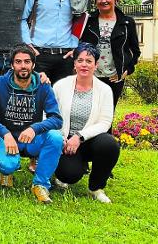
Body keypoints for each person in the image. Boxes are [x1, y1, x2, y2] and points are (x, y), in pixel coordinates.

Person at [0, 44, 63, 204]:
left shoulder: (43, 86)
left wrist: (34, 128)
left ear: (33, 64)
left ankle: (40, 185)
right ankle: (6, 172)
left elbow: (56, 119)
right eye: (18, 61)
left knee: (55, 138)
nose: (23, 66)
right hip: (8, 138)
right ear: (12, 65)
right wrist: (5, 133)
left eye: (27, 61)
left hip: (32, 139)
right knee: (7, 165)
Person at [52, 42, 120, 203]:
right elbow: (49, 114)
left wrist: (80, 137)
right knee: (68, 175)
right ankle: (64, 173)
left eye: (89, 61)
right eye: (80, 60)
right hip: (66, 142)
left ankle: (96, 188)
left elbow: (105, 122)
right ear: (74, 63)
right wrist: (61, 137)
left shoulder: (104, 90)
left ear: (95, 65)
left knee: (110, 144)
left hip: (90, 140)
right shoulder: (61, 86)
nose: (84, 64)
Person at [21, 0, 88, 84]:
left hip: (66, 57)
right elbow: (23, 18)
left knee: (62, 102)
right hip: (39, 55)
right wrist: (28, 45)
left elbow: (81, 19)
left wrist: (75, 47)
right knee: (39, 100)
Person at [80, 0, 140, 110]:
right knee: (89, 113)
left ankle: (107, 132)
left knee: (107, 115)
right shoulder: (88, 21)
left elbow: (135, 51)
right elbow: (80, 47)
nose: (103, 0)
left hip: (114, 78)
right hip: (91, 76)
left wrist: (127, 71)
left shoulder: (127, 22)